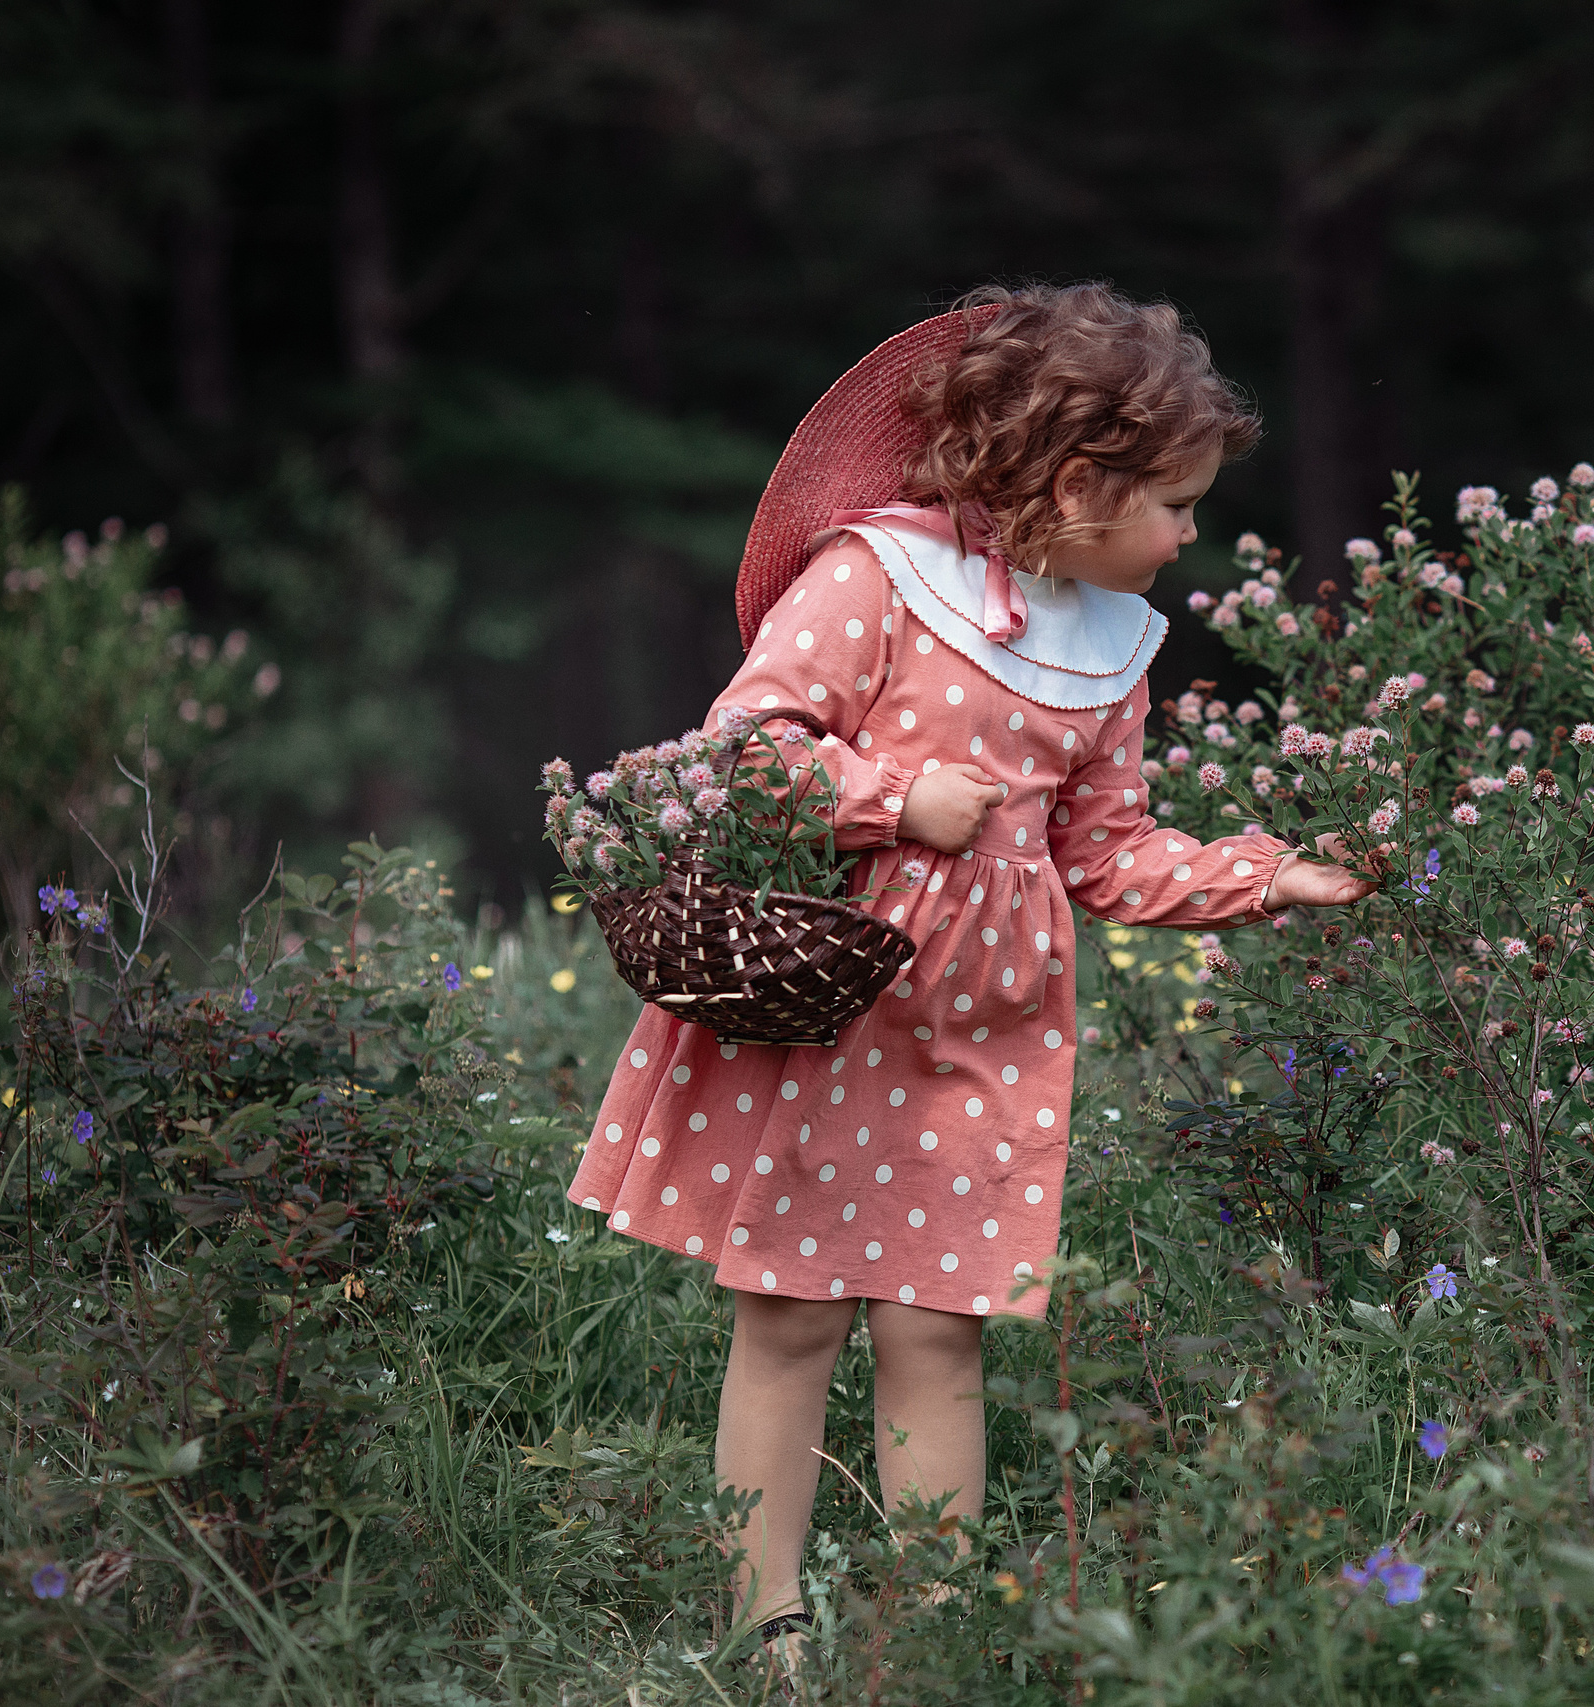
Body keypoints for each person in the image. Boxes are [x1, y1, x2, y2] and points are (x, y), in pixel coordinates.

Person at [566, 282, 1372, 1656]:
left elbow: (1104, 853)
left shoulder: (1112, 651)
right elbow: (739, 748)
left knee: (940, 1334)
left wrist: (1265, 875)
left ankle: (925, 1633)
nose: (1190, 536)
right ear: (1076, 483)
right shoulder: (876, 577)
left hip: (982, 1035)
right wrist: (889, 800)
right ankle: (768, 1630)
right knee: (790, 1322)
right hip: (833, 999)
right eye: (1176, 505)